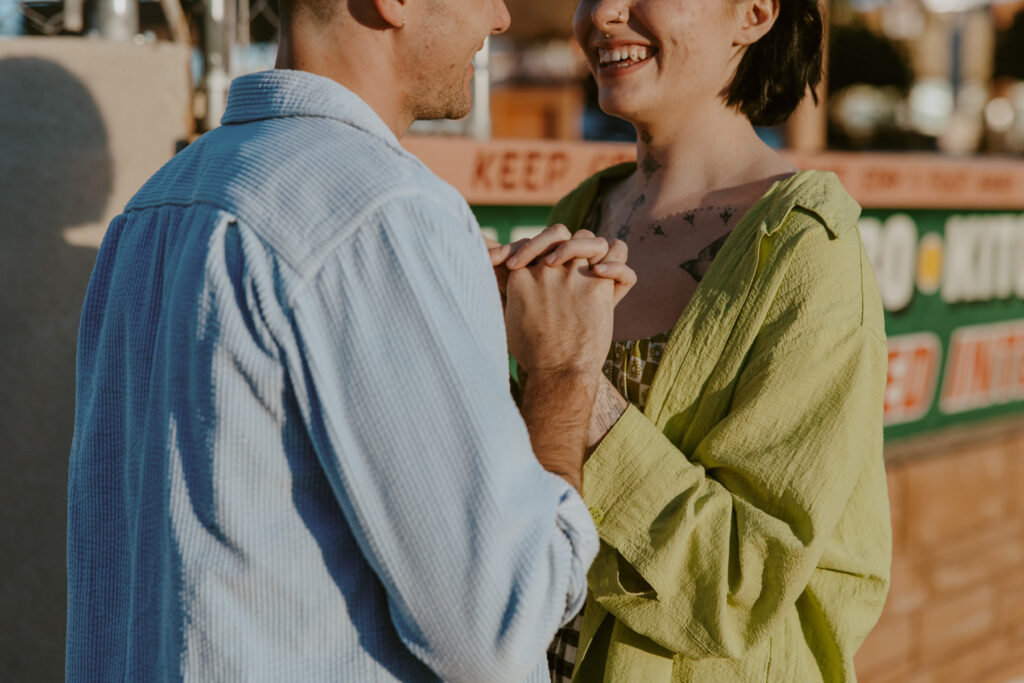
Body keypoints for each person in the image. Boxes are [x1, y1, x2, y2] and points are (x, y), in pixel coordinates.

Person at [65, 0, 637, 679]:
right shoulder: (386, 210)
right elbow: (502, 625)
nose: (501, 17)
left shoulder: (153, 210)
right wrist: (561, 372)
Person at [496, 0, 891, 680]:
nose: (604, 15)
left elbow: (740, 585)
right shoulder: (583, 209)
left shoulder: (804, 251)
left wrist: (576, 385)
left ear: (755, 12)